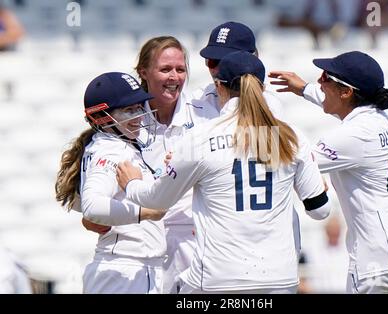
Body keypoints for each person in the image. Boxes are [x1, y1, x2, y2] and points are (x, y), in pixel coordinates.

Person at [116, 51, 331, 294]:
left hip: (219, 279)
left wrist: (132, 183)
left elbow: (157, 200)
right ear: (261, 87)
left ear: (219, 87)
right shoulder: (292, 136)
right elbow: (320, 210)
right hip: (280, 278)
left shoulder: (199, 138)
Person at [269, 50, 388, 294]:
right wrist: (303, 88)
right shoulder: (382, 115)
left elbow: (291, 162)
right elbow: (342, 105)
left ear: (347, 91)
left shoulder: (353, 135)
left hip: (382, 261)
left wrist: (258, 124)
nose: (319, 81)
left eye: (326, 77)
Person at [81, 36, 216, 294]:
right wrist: (145, 213)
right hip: (131, 259)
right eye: (165, 69)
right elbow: (90, 206)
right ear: (144, 72)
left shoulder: (205, 114)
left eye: (180, 69)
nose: (174, 76)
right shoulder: (114, 139)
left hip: (183, 246)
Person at [55, 72, 167, 294]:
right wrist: (147, 212)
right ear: (102, 118)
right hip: (122, 272)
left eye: (138, 107)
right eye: (128, 110)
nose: (138, 116)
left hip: (135, 269)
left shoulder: (120, 146)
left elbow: (89, 215)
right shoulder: (110, 151)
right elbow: (92, 207)